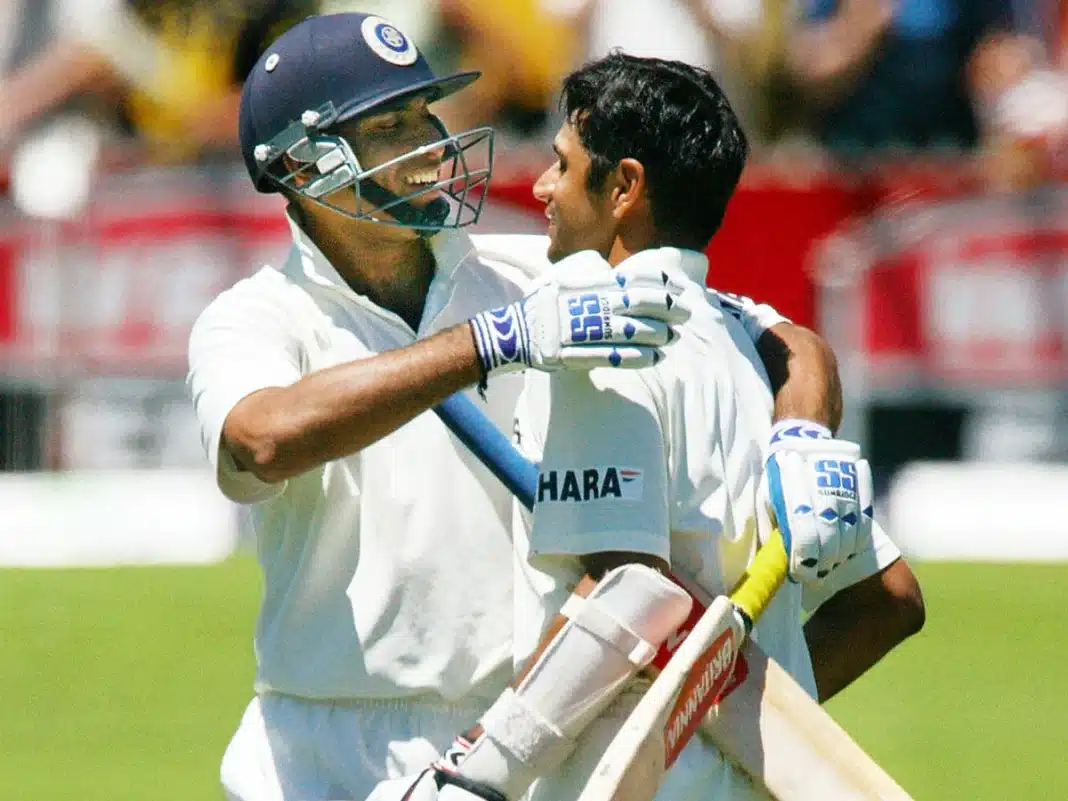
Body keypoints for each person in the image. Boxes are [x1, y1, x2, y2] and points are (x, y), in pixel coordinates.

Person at [187, 13, 913, 801]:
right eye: (392, 126)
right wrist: (497, 341)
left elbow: (782, 337)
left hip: (521, 732)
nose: (432, 142)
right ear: (306, 162)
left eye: (427, 112)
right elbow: (260, 438)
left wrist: (801, 429)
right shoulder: (257, 316)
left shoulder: (535, 271)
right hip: (317, 757)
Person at [386, 53, 924, 801]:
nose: (540, 187)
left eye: (561, 165)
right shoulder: (752, 346)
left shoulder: (602, 343)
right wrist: (744, 722)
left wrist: (476, 768)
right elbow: (889, 599)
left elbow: (627, 595)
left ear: (623, 186)